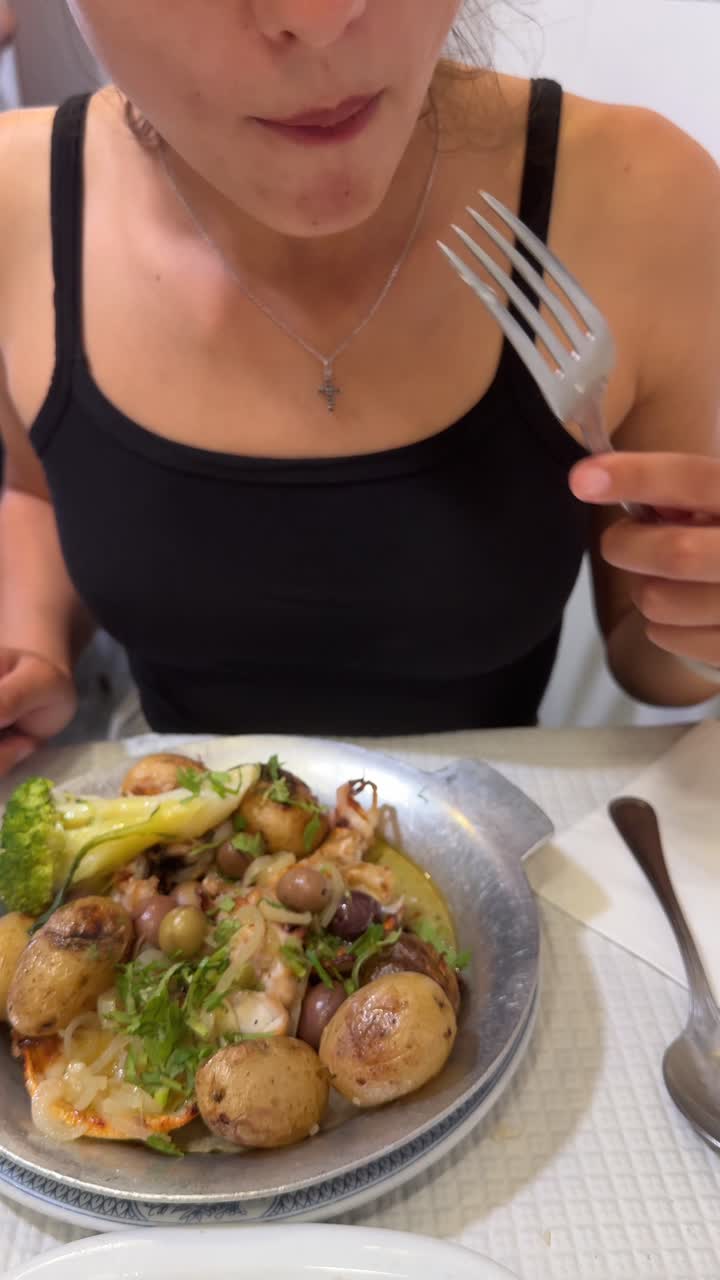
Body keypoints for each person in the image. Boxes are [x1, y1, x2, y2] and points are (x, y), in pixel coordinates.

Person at [0, 0, 719, 775]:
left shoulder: (644, 199)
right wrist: (30, 649)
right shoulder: (22, 202)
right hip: (176, 838)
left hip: (502, 846)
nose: (320, 15)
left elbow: (656, 666)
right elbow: (40, 492)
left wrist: (701, 621)